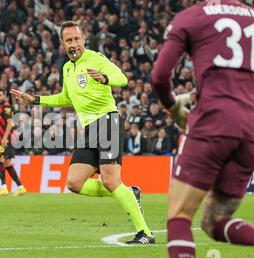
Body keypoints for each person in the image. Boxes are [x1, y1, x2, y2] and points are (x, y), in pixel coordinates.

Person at [151, 0, 254, 258]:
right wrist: (250, 103)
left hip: (213, 124)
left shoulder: (191, 17)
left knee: (179, 216)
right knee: (214, 221)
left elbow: (160, 76)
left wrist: (174, 107)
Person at [11, 21, 154, 244]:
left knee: (110, 180)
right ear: (62, 43)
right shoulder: (67, 68)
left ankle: (145, 232)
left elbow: (122, 79)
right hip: (89, 130)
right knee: (74, 182)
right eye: (69, 40)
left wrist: (105, 78)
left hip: (107, 121)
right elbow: (65, 98)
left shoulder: (96, 59)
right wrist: (35, 100)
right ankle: (129, 193)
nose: (73, 43)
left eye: (77, 39)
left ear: (83, 39)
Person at [0, 89, 27, 197]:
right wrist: (0, 135)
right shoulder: (2, 107)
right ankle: (21, 187)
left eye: (0, 95)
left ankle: (3, 187)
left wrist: (4, 138)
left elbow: (9, 124)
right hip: (6, 137)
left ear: (4, 96)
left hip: (7, 139)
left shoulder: (6, 107)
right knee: (7, 164)